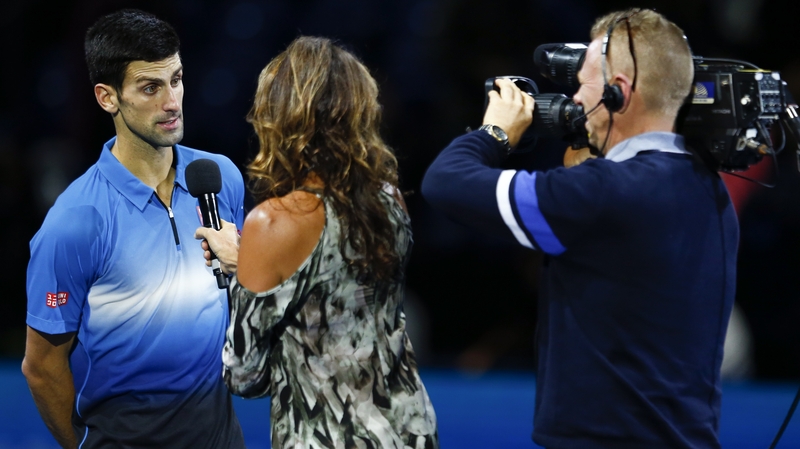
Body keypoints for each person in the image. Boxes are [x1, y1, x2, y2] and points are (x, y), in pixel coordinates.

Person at [422, 8, 738, 448]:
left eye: (583, 84)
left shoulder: (606, 193)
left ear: (617, 92)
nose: (572, 101)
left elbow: (446, 182)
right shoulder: (709, 187)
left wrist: (495, 131)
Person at [22, 9, 245, 448]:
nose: (172, 102)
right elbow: (41, 366)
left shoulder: (220, 178)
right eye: (150, 87)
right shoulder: (75, 221)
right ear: (108, 98)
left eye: (176, 80)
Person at [220, 36, 439, 448]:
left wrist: (241, 270)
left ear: (279, 116)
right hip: (408, 430)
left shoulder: (273, 223)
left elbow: (244, 376)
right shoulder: (389, 199)